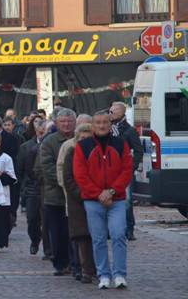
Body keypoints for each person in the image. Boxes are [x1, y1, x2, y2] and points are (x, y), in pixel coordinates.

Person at [73, 110, 133, 289]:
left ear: (110, 124)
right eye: (98, 122)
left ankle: (120, 274)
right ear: (93, 125)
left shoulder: (120, 144)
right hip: (93, 200)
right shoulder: (83, 146)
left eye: (105, 122)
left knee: (118, 235)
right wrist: (99, 193)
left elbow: (126, 170)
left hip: (117, 199)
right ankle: (103, 274)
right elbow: (80, 174)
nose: (101, 125)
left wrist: (112, 191)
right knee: (98, 239)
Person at [39, 108, 76, 276]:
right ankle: (61, 263)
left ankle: (77, 262)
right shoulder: (49, 142)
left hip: (77, 196)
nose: (67, 124)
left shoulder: (80, 140)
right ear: (57, 123)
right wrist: (67, 183)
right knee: (58, 231)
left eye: (69, 121)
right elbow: (47, 168)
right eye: (63, 122)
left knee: (75, 232)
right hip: (56, 195)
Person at [63, 123, 96, 284]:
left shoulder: (97, 152)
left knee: (96, 236)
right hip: (78, 201)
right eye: (81, 138)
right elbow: (67, 178)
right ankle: (85, 270)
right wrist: (82, 194)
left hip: (95, 199)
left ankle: (97, 268)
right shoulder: (71, 152)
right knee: (82, 237)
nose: (84, 140)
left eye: (87, 138)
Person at [110, 102, 143, 241]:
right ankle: (111, 229)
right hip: (110, 170)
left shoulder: (129, 130)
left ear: (122, 113)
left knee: (127, 200)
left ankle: (129, 229)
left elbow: (138, 150)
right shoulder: (106, 129)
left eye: (113, 112)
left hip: (124, 171)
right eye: (110, 111)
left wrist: (131, 167)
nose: (110, 114)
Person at [17, 118, 47, 255]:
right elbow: (20, 170)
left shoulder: (49, 144)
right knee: (32, 219)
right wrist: (23, 188)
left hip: (47, 188)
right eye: (39, 130)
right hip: (31, 187)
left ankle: (49, 249)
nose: (41, 132)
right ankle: (35, 240)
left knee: (47, 220)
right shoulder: (26, 147)